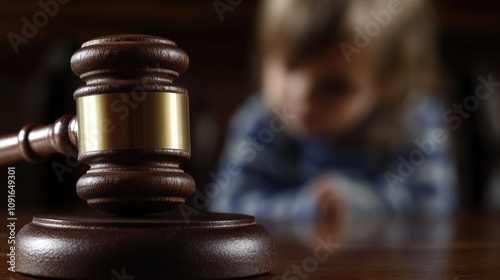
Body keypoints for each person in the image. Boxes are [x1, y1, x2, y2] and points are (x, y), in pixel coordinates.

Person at [209, 0, 457, 244]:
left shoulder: (412, 119)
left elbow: (432, 205)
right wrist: (305, 207)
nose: (301, 95)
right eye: (290, 66)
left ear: (388, 84)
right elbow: (226, 205)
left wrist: (353, 203)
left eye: (334, 87)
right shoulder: (260, 121)